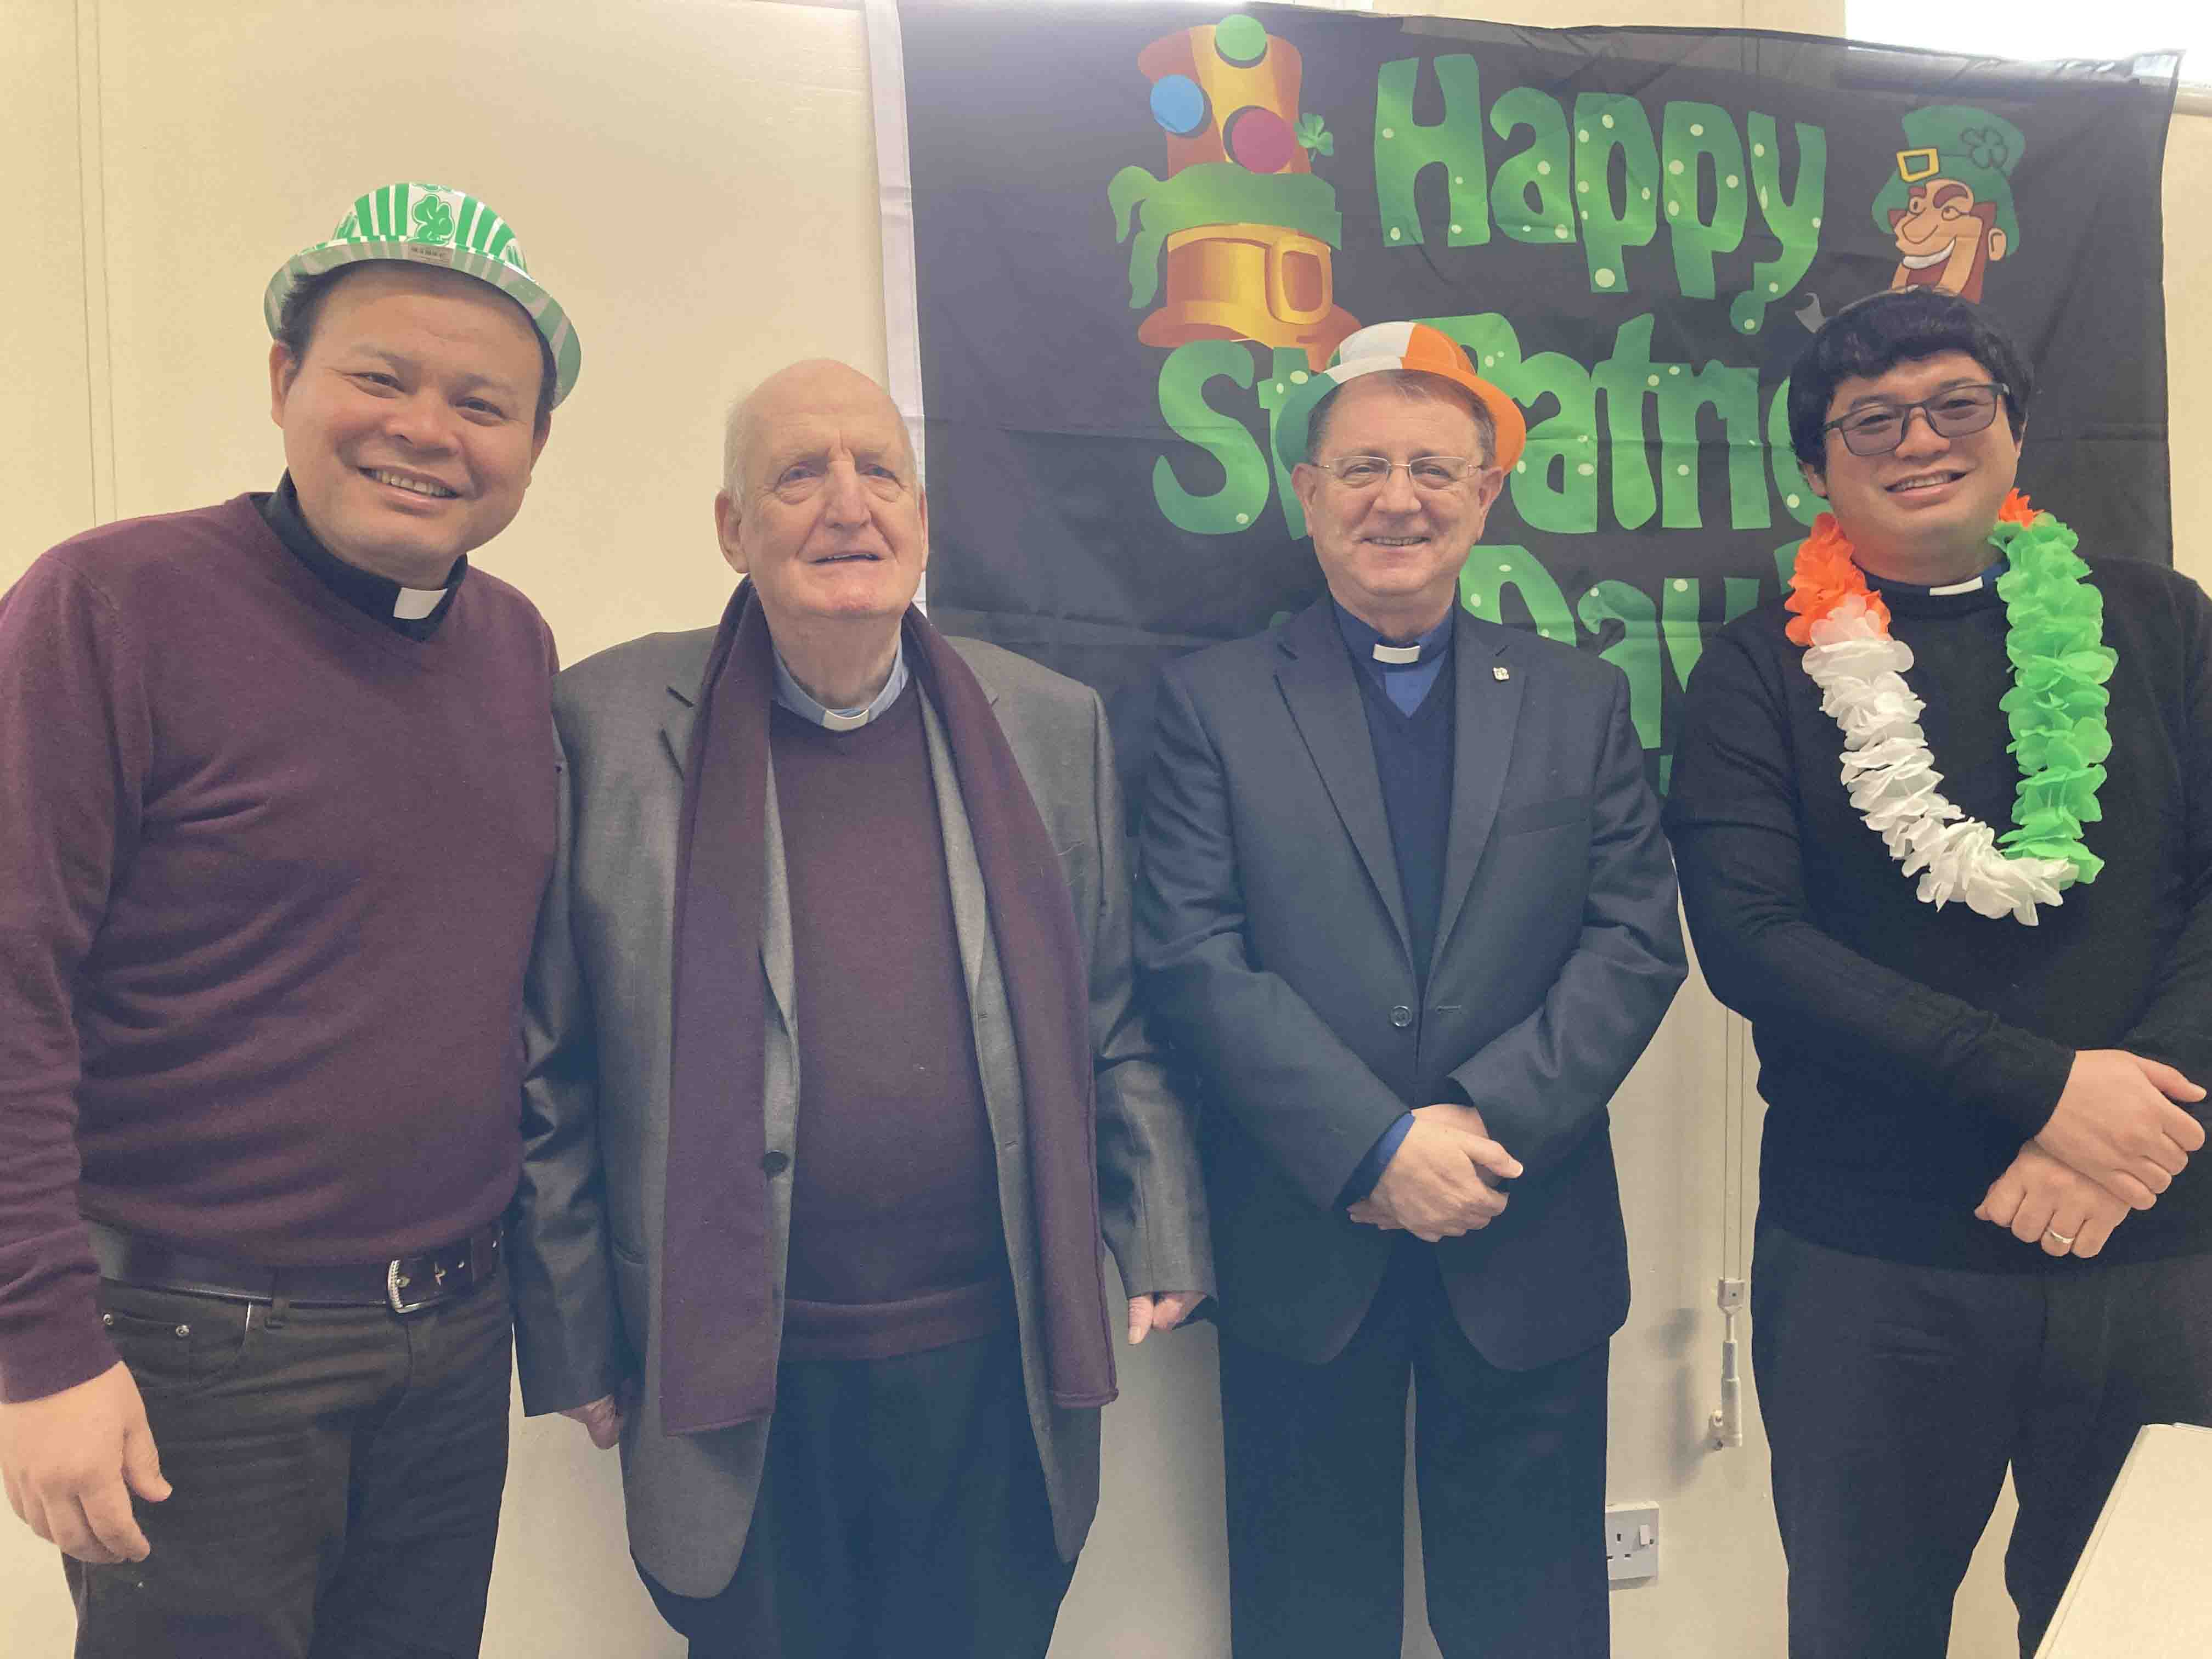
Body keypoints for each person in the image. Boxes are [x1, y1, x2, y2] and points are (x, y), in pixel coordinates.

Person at [505, 358, 1211, 1658]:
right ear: (733, 528)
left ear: (922, 519)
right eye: (799, 475)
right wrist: (571, 1337)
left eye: (878, 470)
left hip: (992, 1363)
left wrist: (1156, 1220)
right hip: (737, 1373)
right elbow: (550, 1066)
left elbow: (1112, 1017)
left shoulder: (1048, 725)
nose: (848, 504)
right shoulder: (605, 726)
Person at [0, 182, 580, 1657]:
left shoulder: (515, 651)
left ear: (533, 447)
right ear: (283, 381)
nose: (426, 430)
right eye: (382, 377)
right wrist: (39, 1348)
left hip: (454, 1343)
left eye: (482, 404)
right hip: (197, 1356)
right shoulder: (109, 608)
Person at [1665, 285, 2212, 1658]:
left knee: (2148, 1630)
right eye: (1874, 420)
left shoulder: (2164, 625)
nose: (1921, 440)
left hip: (2155, 1242)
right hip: (1873, 1263)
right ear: (1819, 470)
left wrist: (2119, 1127)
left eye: (1956, 405)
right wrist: (2046, 1092)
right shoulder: (1756, 669)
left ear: (2015, 429)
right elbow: (1753, 942)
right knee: (1864, 1632)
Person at [1135, 320, 1685, 1658]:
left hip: (1524, 1234)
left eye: (1435, 469)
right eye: (1364, 467)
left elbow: (1635, 941)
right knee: (1307, 1627)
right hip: (1304, 1241)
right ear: (1307, 491)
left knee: (1535, 1629)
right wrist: (1373, 1144)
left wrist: (1478, 1126)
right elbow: (1192, 953)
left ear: (1486, 496)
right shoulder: (1211, 704)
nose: (1399, 499)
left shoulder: (1579, 701)